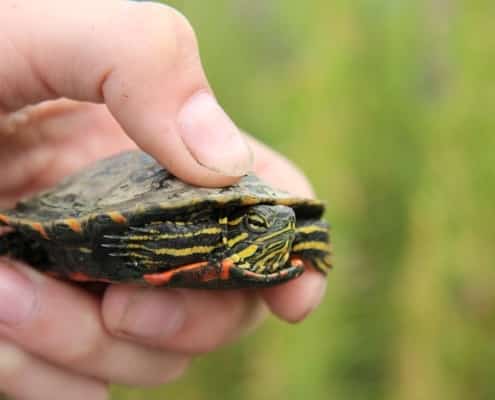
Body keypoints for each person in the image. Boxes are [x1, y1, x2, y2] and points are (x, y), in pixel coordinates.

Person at [0, 1, 327, 399]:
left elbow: (302, 224)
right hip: (96, 212)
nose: (283, 227)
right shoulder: (198, 222)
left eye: (280, 226)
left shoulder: (270, 232)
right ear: (232, 225)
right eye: (258, 224)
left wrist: (309, 241)